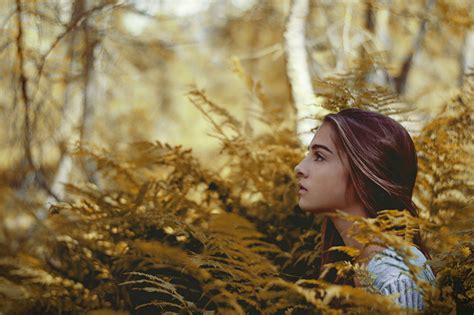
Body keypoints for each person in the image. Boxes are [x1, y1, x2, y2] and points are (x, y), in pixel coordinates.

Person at [293, 108, 436, 310]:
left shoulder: (395, 274)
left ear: (363, 171)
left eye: (319, 157)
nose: (299, 167)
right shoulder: (359, 265)